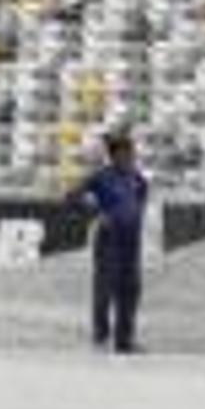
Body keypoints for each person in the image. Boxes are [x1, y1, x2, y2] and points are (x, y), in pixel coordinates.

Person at [72, 128, 152, 354]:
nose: (131, 158)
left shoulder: (136, 178)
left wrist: (136, 216)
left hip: (131, 240)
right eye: (127, 153)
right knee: (105, 288)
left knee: (131, 289)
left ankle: (124, 340)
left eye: (132, 154)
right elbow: (73, 196)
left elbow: (142, 196)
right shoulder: (101, 176)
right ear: (115, 155)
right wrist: (96, 211)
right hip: (109, 239)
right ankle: (101, 337)